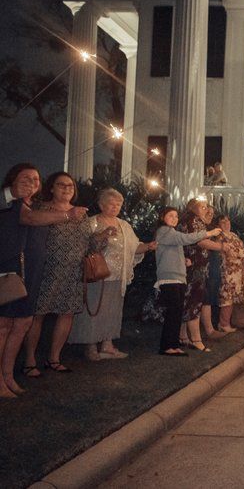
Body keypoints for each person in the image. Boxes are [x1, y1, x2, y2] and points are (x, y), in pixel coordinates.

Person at [0, 164, 86, 396]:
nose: (31, 183)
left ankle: (8, 376)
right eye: (25, 178)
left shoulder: (32, 204)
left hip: (34, 272)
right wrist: (67, 214)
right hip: (10, 272)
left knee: (21, 324)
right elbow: (29, 219)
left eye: (35, 179)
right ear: (12, 180)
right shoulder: (11, 203)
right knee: (5, 325)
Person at [25, 172, 114, 373]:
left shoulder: (80, 213)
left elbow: (88, 243)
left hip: (73, 272)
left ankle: (54, 359)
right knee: (37, 315)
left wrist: (102, 235)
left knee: (66, 314)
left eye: (70, 186)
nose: (67, 189)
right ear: (51, 188)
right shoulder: (41, 208)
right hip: (46, 271)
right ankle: (29, 360)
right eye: (61, 185)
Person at [68, 188, 157, 361]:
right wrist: (102, 235)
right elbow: (84, 245)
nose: (115, 207)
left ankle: (107, 345)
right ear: (101, 205)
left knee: (112, 311)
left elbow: (134, 246)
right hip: (97, 274)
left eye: (118, 204)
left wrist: (147, 246)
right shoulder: (92, 222)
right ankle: (91, 346)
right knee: (94, 309)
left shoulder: (124, 225)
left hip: (117, 276)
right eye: (111, 203)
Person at [154, 207, 222, 356]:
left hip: (177, 276)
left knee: (177, 311)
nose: (174, 218)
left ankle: (173, 344)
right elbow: (185, 239)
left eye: (176, 216)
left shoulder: (171, 233)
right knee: (173, 312)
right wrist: (208, 233)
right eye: (170, 215)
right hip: (169, 278)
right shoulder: (164, 231)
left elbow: (173, 250)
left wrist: (183, 260)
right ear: (162, 217)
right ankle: (166, 347)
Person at [178, 199, 226, 351]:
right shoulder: (193, 220)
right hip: (195, 266)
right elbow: (200, 241)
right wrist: (221, 246)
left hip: (194, 265)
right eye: (203, 207)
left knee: (187, 300)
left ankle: (183, 336)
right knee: (194, 300)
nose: (206, 210)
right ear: (194, 208)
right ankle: (196, 339)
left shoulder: (189, 219)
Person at [216, 214, 244, 332]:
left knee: (233, 297)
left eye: (228, 221)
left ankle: (226, 323)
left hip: (238, 271)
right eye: (223, 222)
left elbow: (241, 248)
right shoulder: (219, 236)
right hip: (228, 270)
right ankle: (223, 324)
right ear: (218, 224)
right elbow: (231, 251)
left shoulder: (233, 235)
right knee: (227, 297)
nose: (226, 224)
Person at [198, 205, 226, 341]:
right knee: (204, 295)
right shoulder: (200, 228)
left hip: (214, 264)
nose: (210, 214)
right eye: (207, 212)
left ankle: (209, 327)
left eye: (212, 213)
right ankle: (207, 329)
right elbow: (203, 243)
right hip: (204, 265)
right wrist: (220, 246)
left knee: (210, 295)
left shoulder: (213, 228)